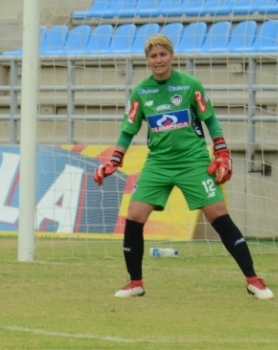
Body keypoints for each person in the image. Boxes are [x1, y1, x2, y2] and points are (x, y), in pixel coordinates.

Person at [95, 33, 272, 300]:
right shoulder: (141, 92)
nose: (158, 60)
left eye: (163, 54)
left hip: (193, 161)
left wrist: (221, 150)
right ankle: (136, 283)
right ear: (147, 60)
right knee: (134, 215)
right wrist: (115, 159)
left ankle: (253, 280)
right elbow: (127, 130)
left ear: (171, 56)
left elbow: (210, 119)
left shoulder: (190, 85)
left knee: (218, 214)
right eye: (153, 56)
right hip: (159, 163)